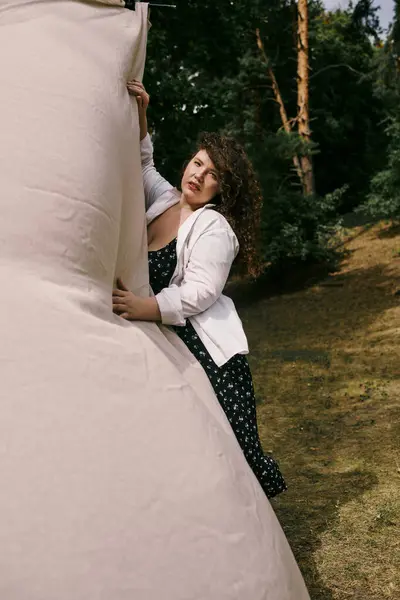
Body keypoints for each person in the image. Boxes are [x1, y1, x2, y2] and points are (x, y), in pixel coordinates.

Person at [112, 80, 287, 499]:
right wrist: (141, 112)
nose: (198, 175)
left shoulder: (214, 227)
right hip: (166, 341)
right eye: (196, 163)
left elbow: (201, 291)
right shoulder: (165, 200)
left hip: (209, 355)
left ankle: (257, 540)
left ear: (221, 189)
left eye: (212, 174)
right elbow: (142, 162)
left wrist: (143, 306)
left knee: (233, 451)